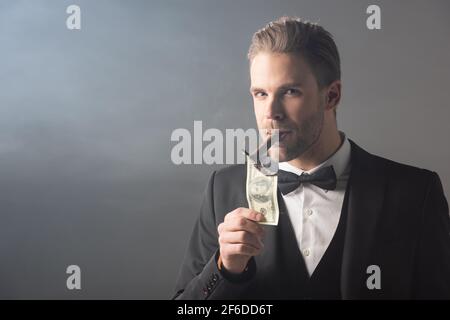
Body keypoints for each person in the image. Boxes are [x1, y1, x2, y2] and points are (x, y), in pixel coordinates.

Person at [172, 17, 450, 299]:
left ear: (332, 95)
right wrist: (226, 268)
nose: (271, 112)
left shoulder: (416, 194)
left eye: (290, 92)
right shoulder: (223, 189)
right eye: (261, 93)